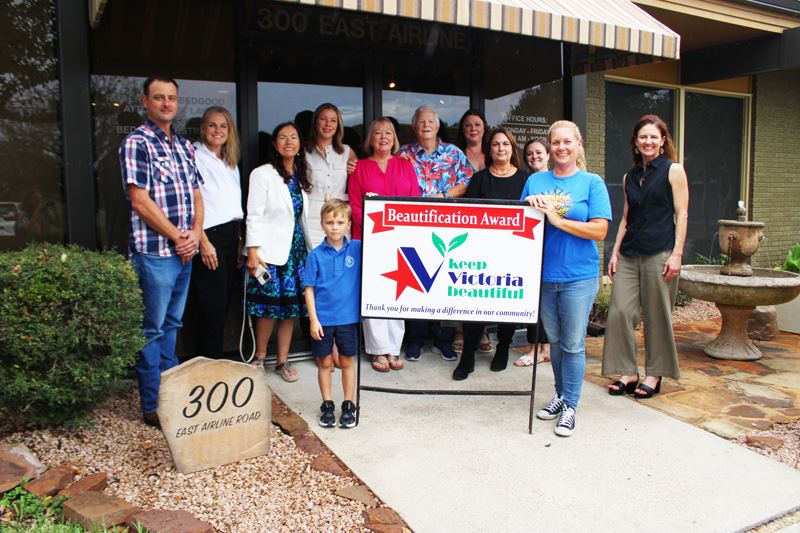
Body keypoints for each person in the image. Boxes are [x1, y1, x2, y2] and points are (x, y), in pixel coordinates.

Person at [120, 76, 204, 429]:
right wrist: (177, 237)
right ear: (146, 101)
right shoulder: (137, 143)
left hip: (184, 252)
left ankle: (170, 396)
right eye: (159, 98)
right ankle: (152, 403)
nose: (167, 103)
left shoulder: (184, 146)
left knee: (172, 325)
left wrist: (196, 235)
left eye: (171, 98)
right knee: (152, 329)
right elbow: (140, 200)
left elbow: (198, 195)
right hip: (155, 253)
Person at [522, 120, 611, 437]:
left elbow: (600, 230)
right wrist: (529, 208)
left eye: (566, 142)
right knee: (556, 341)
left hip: (578, 275)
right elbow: (520, 224)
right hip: (545, 274)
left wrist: (558, 221)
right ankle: (561, 395)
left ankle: (571, 406)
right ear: (549, 146)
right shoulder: (534, 180)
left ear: (578, 144)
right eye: (555, 143)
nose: (560, 148)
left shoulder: (591, 183)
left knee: (573, 344)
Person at [602, 115, 689, 398]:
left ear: (663, 141)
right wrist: (614, 253)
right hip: (629, 253)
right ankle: (627, 371)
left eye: (653, 136)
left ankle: (655, 373)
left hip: (659, 252)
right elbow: (626, 218)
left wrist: (676, 254)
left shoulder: (673, 170)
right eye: (643, 137)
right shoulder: (629, 176)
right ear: (636, 143)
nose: (648, 141)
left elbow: (682, 213)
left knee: (657, 315)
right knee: (620, 312)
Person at [398, 106, 473, 362]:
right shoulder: (404, 154)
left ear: (438, 125)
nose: (426, 125)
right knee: (417, 280)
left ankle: (444, 339)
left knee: (444, 281)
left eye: (431, 121)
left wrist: (442, 196)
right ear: (414, 125)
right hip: (414, 226)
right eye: (421, 121)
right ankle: (416, 339)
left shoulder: (453, 153)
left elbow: (467, 182)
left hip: (446, 227)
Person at [454, 128, 529, 380]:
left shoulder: (526, 180)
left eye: (505, 144)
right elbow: (467, 217)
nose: (501, 148)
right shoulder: (479, 179)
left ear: (512, 148)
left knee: (508, 304)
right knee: (475, 306)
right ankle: (468, 356)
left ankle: (503, 348)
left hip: (515, 252)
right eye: (496, 144)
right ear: (489, 149)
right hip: (482, 252)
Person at [349, 118, 420, 372]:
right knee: (375, 294)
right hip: (370, 238)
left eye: (388, 133)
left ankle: (393, 348)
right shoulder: (360, 168)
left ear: (394, 138)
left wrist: (400, 230)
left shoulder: (405, 166)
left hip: (400, 239)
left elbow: (415, 201)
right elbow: (355, 205)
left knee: (397, 292)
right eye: (377, 133)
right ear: (370, 139)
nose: (383, 137)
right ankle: (378, 350)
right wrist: (376, 228)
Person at [245, 122, 311, 383]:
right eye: (282, 137)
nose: (288, 142)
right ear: (274, 144)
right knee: (268, 308)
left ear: (299, 144)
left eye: (293, 137)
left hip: (296, 251)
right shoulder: (262, 174)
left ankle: (282, 361)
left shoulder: (302, 174)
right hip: (268, 251)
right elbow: (254, 214)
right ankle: (259, 358)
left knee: (291, 310)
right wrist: (251, 251)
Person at [184, 106, 243, 358]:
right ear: (202, 129)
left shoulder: (230, 162)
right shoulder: (194, 156)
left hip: (231, 235)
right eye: (212, 125)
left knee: (224, 304)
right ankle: (207, 364)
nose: (217, 130)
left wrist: (239, 241)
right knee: (211, 305)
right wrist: (203, 242)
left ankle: (212, 361)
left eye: (223, 126)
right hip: (209, 235)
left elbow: (231, 206)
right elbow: (190, 202)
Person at [304, 199, 361, 428]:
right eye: (329, 222)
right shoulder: (315, 256)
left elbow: (378, 234)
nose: (335, 227)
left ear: (348, 224)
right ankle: (327, 404)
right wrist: (313, 319)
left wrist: (373, 203)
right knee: (325, 362)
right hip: (323, 320)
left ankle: (349, 404)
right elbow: (309, 289)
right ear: (321, 224)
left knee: (347, 361)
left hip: (348, 319)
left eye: (340, 222)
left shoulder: (357, 249)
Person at [453, 109, 493, 355]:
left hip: (490, 222)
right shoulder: (455, 155)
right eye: (468, 125)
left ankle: (484, 330)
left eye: (477, 124)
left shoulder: (494, 152)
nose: (473, 129)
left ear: (484, 127)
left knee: (484, 277)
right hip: (462, 219)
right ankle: (460, 329)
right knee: (462, 275)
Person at [515, 138, 552, 367]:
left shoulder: (559, 178)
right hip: (534, 247)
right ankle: (535, 347)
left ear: (548, 154)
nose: (534, 157)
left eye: (539, 152)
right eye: (529, 154)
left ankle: (546, 348)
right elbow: (522, 211)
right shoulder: (531, 180)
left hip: (556, 248)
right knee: (535, 301)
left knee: (549, 302)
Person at [305, 103, 358, 248]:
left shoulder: (346, 151)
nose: (328, 124)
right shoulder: (304, 152)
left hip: (339, 216)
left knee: (338, 260)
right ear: (316, 122)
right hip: (312, 216)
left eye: (333, 120)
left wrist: (401, 158)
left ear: (338, 125)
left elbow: (363, 175)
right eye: (323, 119)